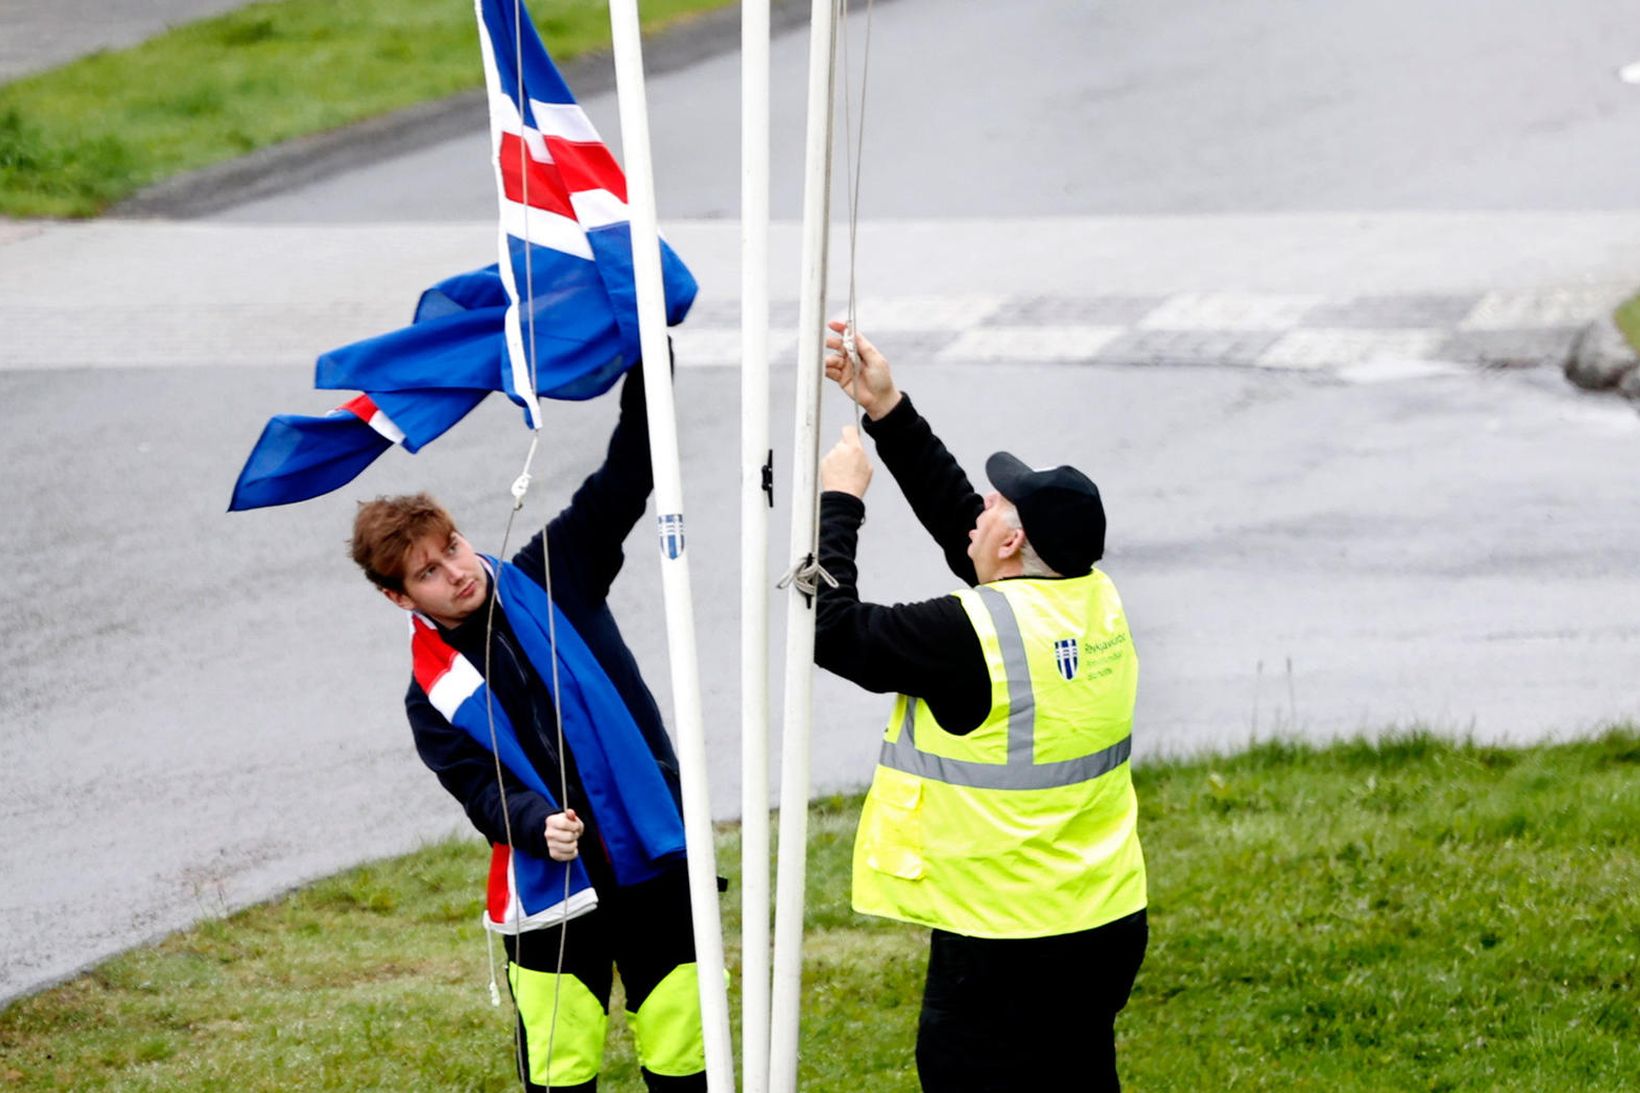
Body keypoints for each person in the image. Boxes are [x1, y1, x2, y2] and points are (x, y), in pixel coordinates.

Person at [813, 321, 1149, 1092]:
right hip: (1102, 925)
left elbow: (831, 631)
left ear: (1012, 543)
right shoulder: (1093, 601)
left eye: (1001, 501)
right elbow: (963, 522)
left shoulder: (970, 636)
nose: (986, 500)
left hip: (1005, 945)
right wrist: (886, 408)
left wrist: (841, 502)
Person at [349, 369, 706, 1093]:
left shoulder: (552, 572)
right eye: (427, 570)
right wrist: (536, 821)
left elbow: (631, 469)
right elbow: (481, 793)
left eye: (451, 545)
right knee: (559, 1071)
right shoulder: (431, 694)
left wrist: (647, 355)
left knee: (686, 1054)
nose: (455, 570)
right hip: (549, 888)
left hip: (649, 852)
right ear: (397, 595)